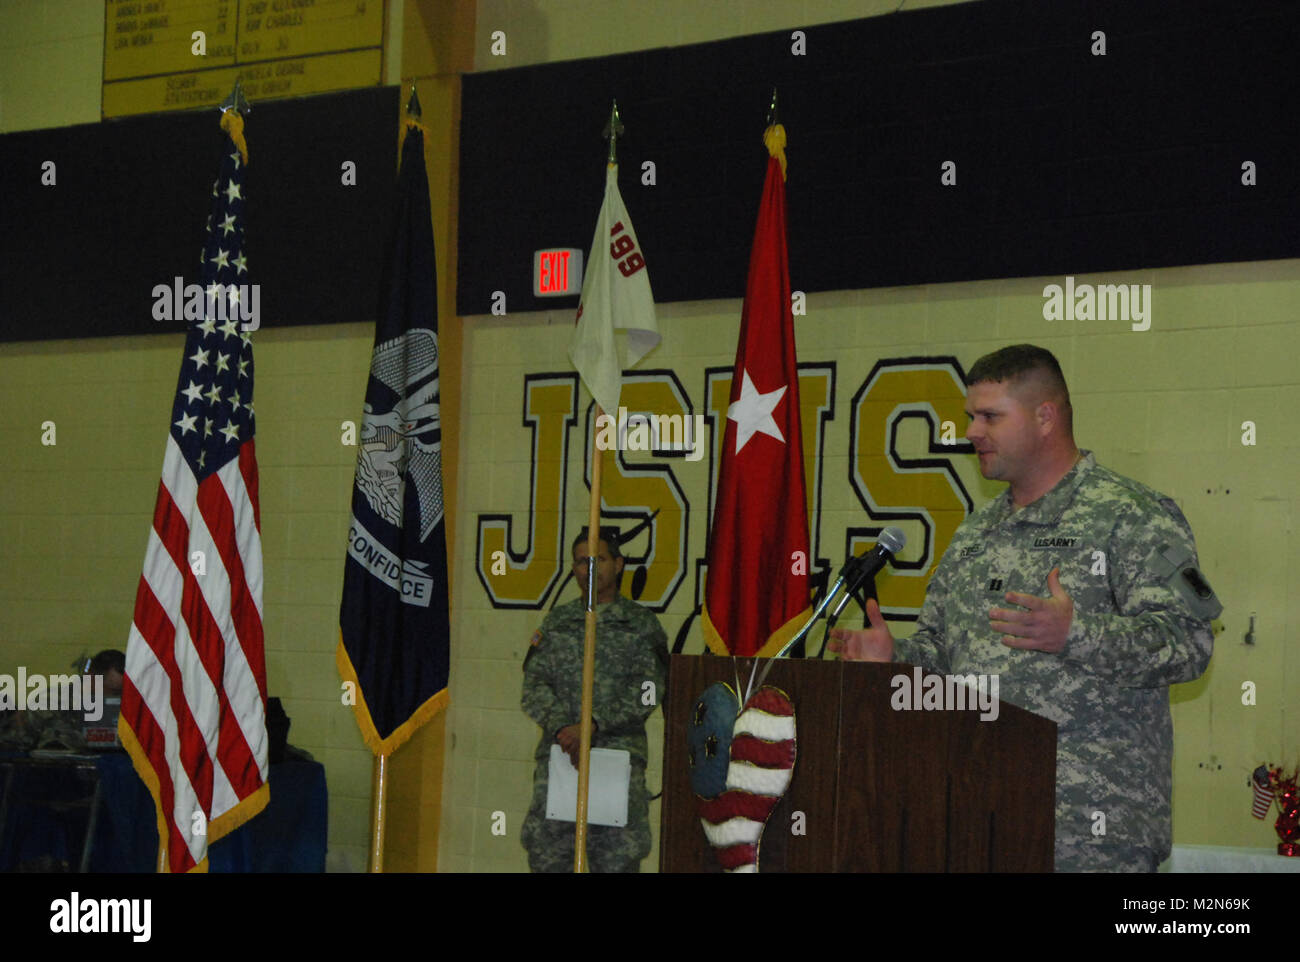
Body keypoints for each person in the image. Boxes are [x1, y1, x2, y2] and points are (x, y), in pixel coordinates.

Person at [830, 344, 1220, 872]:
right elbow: (946, 658)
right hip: (976, 820)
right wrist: (894, 658)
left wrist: (1076, 634)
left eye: (990, 416)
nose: (971, 431)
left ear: (1045, 417)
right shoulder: (976, 531)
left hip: (1088, 836)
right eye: (971, 416)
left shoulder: (1133, 516)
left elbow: (1190, 642)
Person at [520, 526, 669, 872]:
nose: (589, 568)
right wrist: (565, 729)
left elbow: (649, 691)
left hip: (616, 763)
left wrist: (594, 724)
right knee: (548, 860)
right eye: (580, 562)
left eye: (598, 559)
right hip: (560, 760)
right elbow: (533, 686)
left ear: (618, 564)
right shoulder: (558, 623)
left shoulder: (640, 626)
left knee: (616, 863)